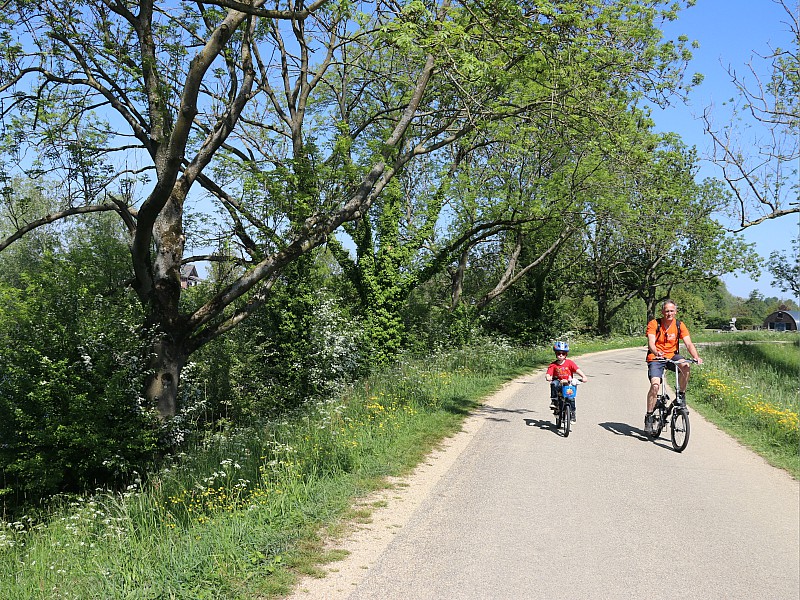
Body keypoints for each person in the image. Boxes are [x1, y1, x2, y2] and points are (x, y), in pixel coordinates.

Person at [644, 300, 703, 434]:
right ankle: (649, 416)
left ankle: (681, 395)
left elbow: (688, 343)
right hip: (656, 357)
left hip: (672, 356)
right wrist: (656, 352)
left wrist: (696, 356)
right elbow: (651, 343)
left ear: (675, 312)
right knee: (655, 385)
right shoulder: (654, 324)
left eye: (671, 311)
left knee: (686, 366)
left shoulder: (679, 325)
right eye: (666, 311)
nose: (669, 313)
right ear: (662, 312)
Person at [545, 341, 588, 421]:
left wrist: (583, 376)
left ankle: (572, 413)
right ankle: (554, 402)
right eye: (559, 353)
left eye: (563, 353)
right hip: (558, 382)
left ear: (566, 354)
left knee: (571, 398)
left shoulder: (569, 363)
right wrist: (548, 377)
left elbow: (577, 370)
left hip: (568, 383)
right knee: (553, 384)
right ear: (556, 354)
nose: (561, 355)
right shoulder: (553, 365)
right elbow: (549, 373)